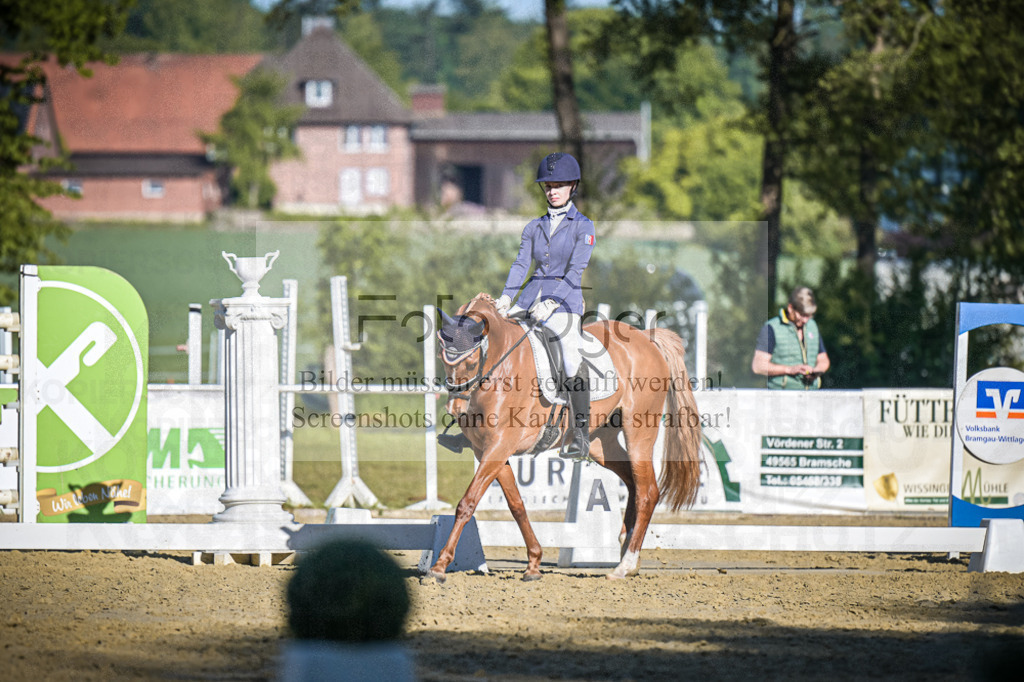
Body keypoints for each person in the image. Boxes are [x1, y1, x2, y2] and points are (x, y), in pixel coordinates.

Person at [494, 151, 596, 458]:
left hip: (564, 304)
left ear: (572, 187)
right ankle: (476, 423)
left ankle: (580, 434)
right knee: (494, 341)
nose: (552, 190)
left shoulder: (584, 226)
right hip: (528, 299)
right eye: (548, 185)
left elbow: (575, 271)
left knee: (569, 356)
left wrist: (552, 302)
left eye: (560, 185)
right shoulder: (533, 228)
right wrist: (506, 298)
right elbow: (520, 264)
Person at [751, 285, 830, 389]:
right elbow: (758, 366)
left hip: (811, 396)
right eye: (802, 315)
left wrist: (816, 371)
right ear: (790, 308)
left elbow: (823, 359)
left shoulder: (812, 326)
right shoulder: (771, 328)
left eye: (809, 315)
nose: (806, 320)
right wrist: (789, 370)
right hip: (781, 397)